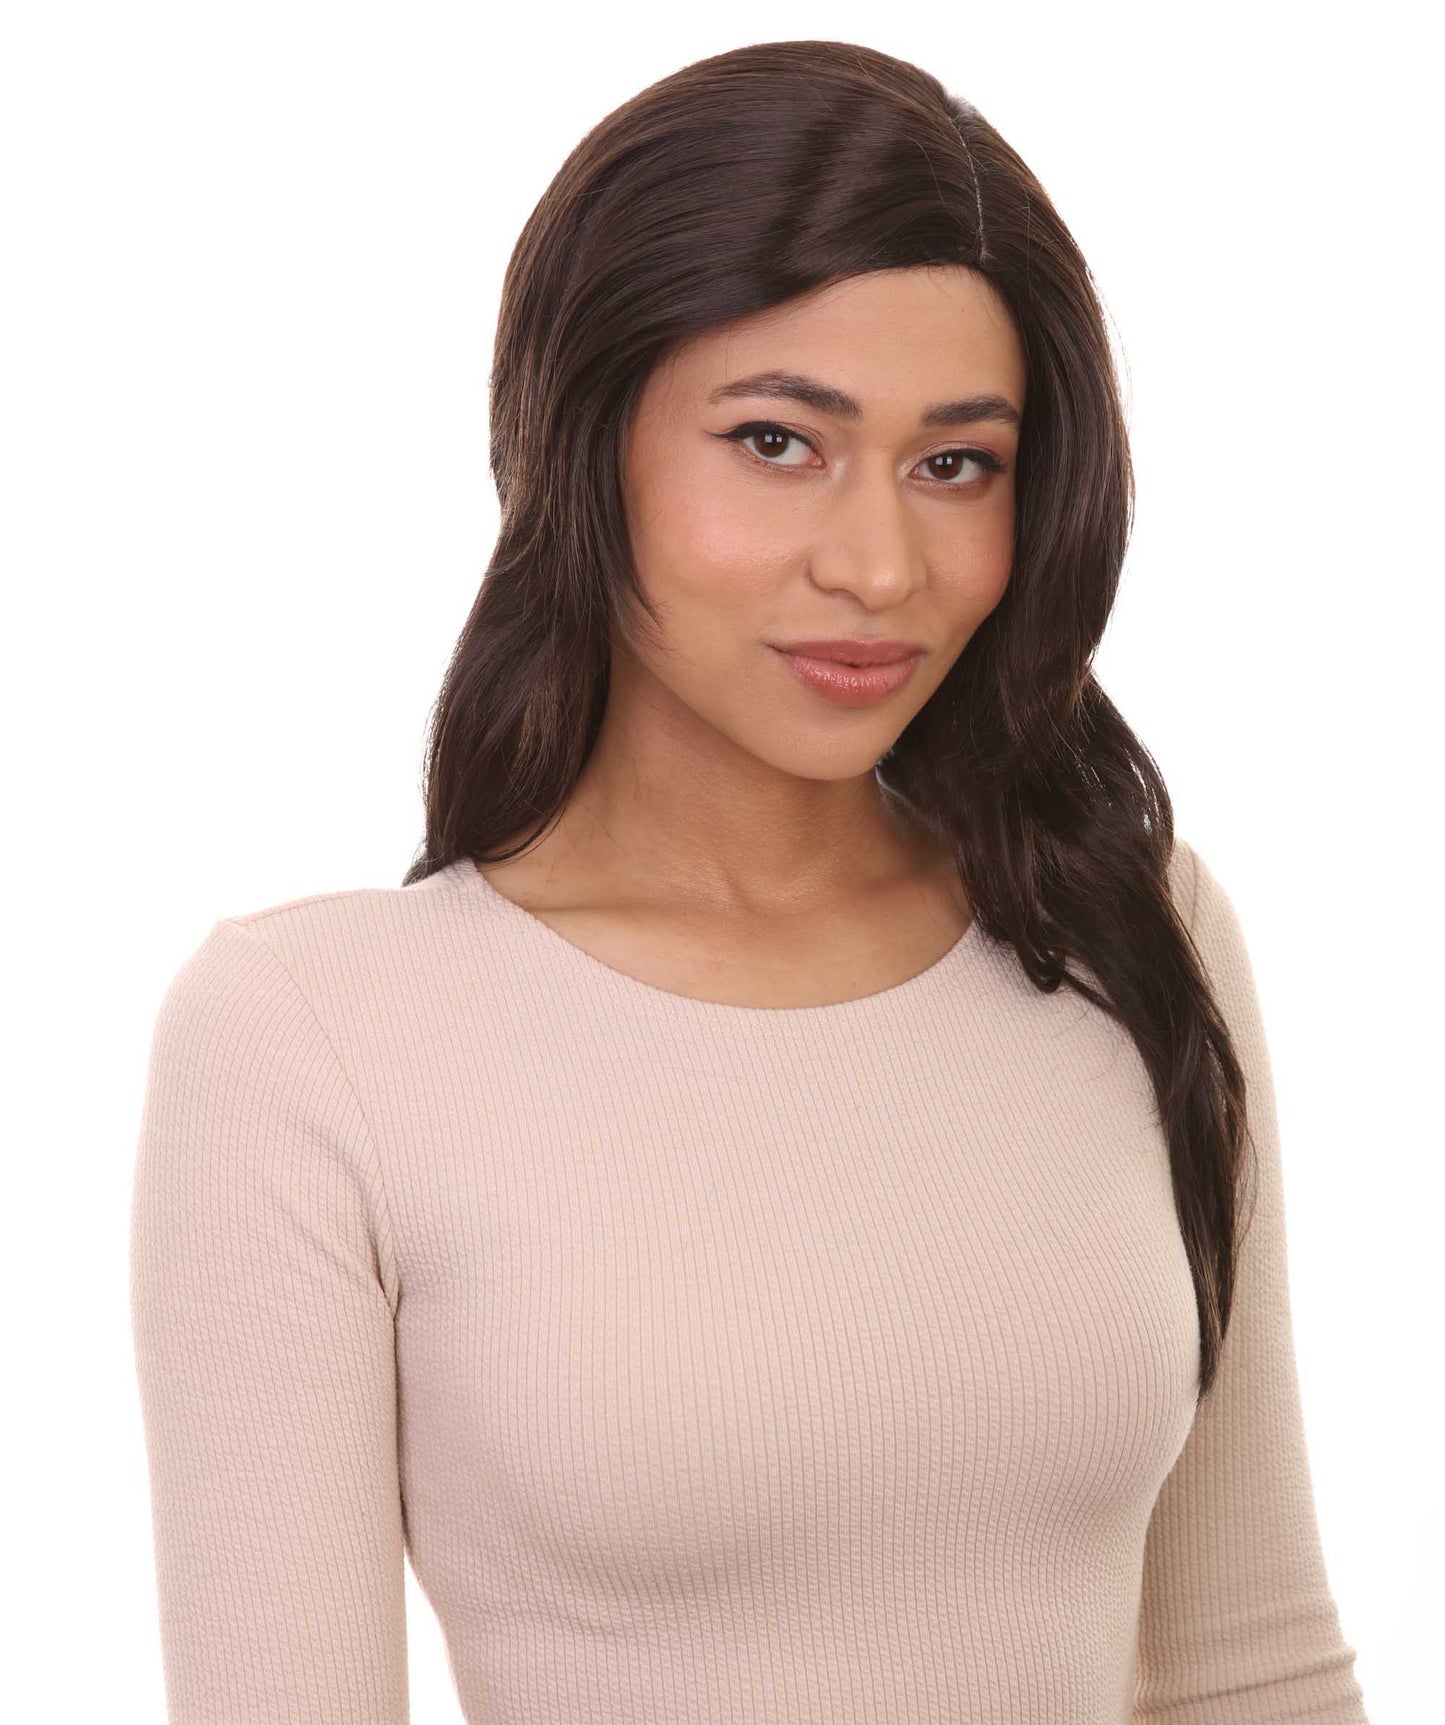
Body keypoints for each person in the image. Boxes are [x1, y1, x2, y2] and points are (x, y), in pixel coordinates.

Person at [128, 38, 1371, 1725]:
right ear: (581, 444)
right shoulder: (315, 1030)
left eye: (956, 462)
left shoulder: (1126, 935)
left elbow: (1250, 1664)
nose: (877, 565)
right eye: (777, 440)